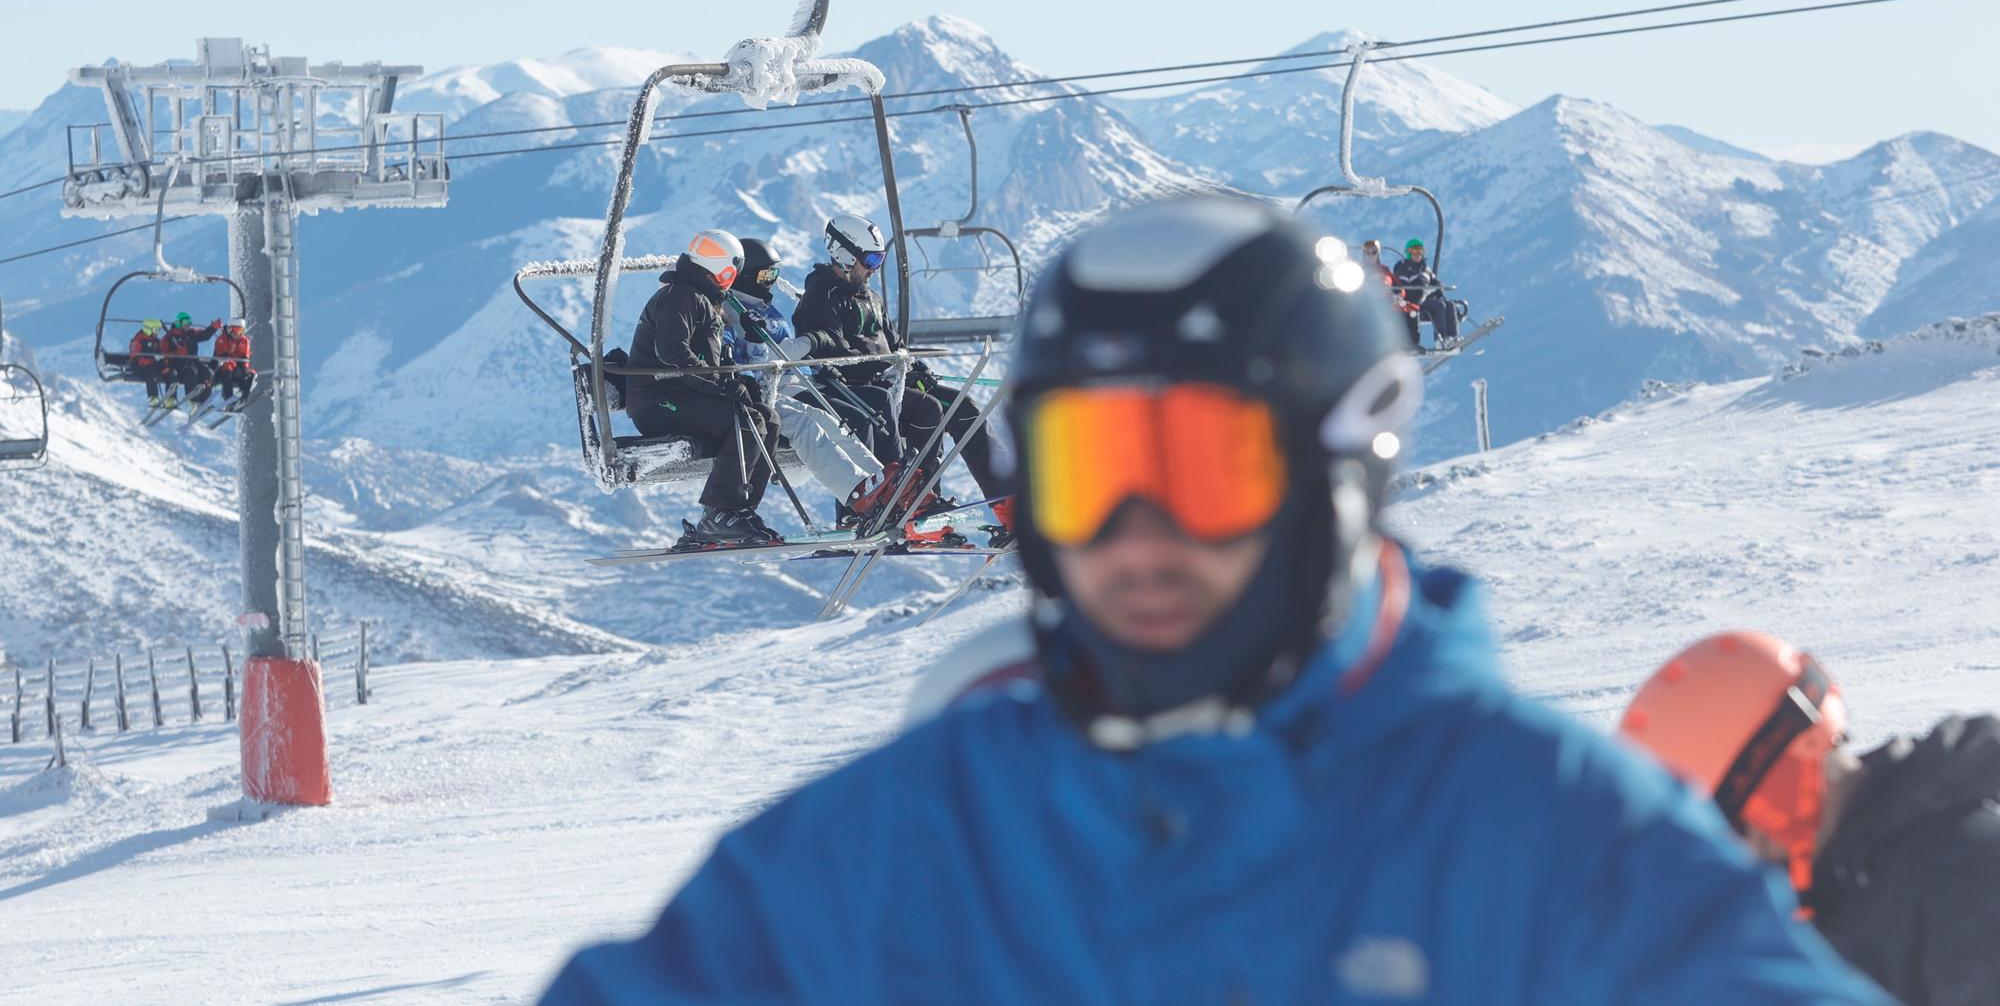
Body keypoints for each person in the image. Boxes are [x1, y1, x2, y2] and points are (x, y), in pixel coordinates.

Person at [542, 196, 1882, 1005]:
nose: (1137, 536)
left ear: (1333, 472)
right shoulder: (931, 832)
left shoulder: (1550, 843)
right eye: (1088, 473)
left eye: (1199, 467)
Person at [1621, 631, 2000, 1006]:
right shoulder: (1837, 893)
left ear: (1773, 778)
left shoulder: (1969, 876)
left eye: (1728, 830)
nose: (1735, 857)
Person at [790, 212, 1012, 535]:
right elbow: (832, 355)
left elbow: (895, 345)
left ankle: (1005, 500)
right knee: (926, 408)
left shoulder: (871, 299)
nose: (873, 269)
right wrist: (887, 367)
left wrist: (914, 369)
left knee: (959, 405)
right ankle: (903, 497)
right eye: (869, 260)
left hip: (890, 384)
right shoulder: (821, 298)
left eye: (878, 260)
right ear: (845, 255)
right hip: (854, 391)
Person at [720, 236, 900, 530]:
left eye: (775, 275)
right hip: (757, 396)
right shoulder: (729, 311)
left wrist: (811, 363)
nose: (770, 283)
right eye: (765, 275)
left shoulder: (766, 312)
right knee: (825, 421)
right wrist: (807, 343)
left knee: (826, 419)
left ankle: (884, 485)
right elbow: (753, 365)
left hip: (783, 388)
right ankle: (857, 502)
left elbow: (782, 362)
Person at [626, 229, 783, 548]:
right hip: (659, 399)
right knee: (744, 421)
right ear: (726, 270)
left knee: (768, 417)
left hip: (685, 394)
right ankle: (720, 513)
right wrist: (720, 383)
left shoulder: (704, 299)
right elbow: (674, 354)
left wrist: (738, 383)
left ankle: (738, 509)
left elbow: (709, 359)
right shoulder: (680, 296)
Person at [1391, 237, 1460, 351]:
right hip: (1411, 301)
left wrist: (1439, 291)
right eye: (1414, 251)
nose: (1417, 254)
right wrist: (1421, 287)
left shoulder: (1425, 268)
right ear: (1408, 252)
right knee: (1439, 306)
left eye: (1420, 251)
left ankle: (1453, 336)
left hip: (1425, 299)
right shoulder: (1402, 266)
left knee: (1449, 304)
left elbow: (1435, 282)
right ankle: (1440, 339)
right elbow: (1402, 282)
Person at [164, 310, 221, 407]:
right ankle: (193, 402)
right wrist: (177, 352)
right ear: (179, 323)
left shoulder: (191, 334)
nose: (188, 325)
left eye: (189, 323)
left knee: (209, 373)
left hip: (194, 362)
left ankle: (204, 402)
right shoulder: (170, 337)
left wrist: (213, 327)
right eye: (185, 323)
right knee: (191, 372)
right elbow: (164, 353)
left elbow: (204, 335)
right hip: (179, 364)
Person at [127, 317, 170, 408]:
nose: (157, 332)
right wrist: (150, 360)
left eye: (158, 330)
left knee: (170, 372)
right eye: (155, 330)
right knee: (151, 372)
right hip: (140, 367)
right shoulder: (139, 339)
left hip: (151, 365)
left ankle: (170, 398)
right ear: (148, 329)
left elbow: (160, 353)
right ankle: (153, 397)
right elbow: (134, 356)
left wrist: (164, 365)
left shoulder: (155, 341)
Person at [211, 317, 255, 405]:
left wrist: (245, 371)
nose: (237, 334)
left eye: (240, 331)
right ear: (230, 330)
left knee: (251, 373)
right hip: (222, 369)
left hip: (237, 368)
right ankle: (229, 400)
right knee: (228, 367)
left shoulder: (245, 341)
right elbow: (221, 356)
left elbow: (245, 359)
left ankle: (243, 398)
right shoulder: (222, 339)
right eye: (235, 330)